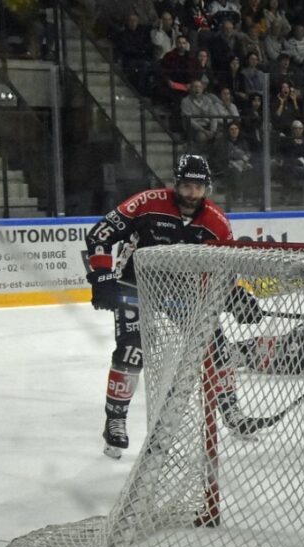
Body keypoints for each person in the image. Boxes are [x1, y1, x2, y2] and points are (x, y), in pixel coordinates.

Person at [82, 154, 257, 459]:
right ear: (176, 184)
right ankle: (115, 421)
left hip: (181, 292)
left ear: (207, 188)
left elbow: (225, 267)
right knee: (132, 349)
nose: (192, 193)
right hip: (135, 285)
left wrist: (236, 296)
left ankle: (231, 411)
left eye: (198, 187)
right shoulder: (147, 202)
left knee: (216, 347)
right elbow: (100, 234)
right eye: (186, 186)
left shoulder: (216, 221)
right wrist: (101, 277)